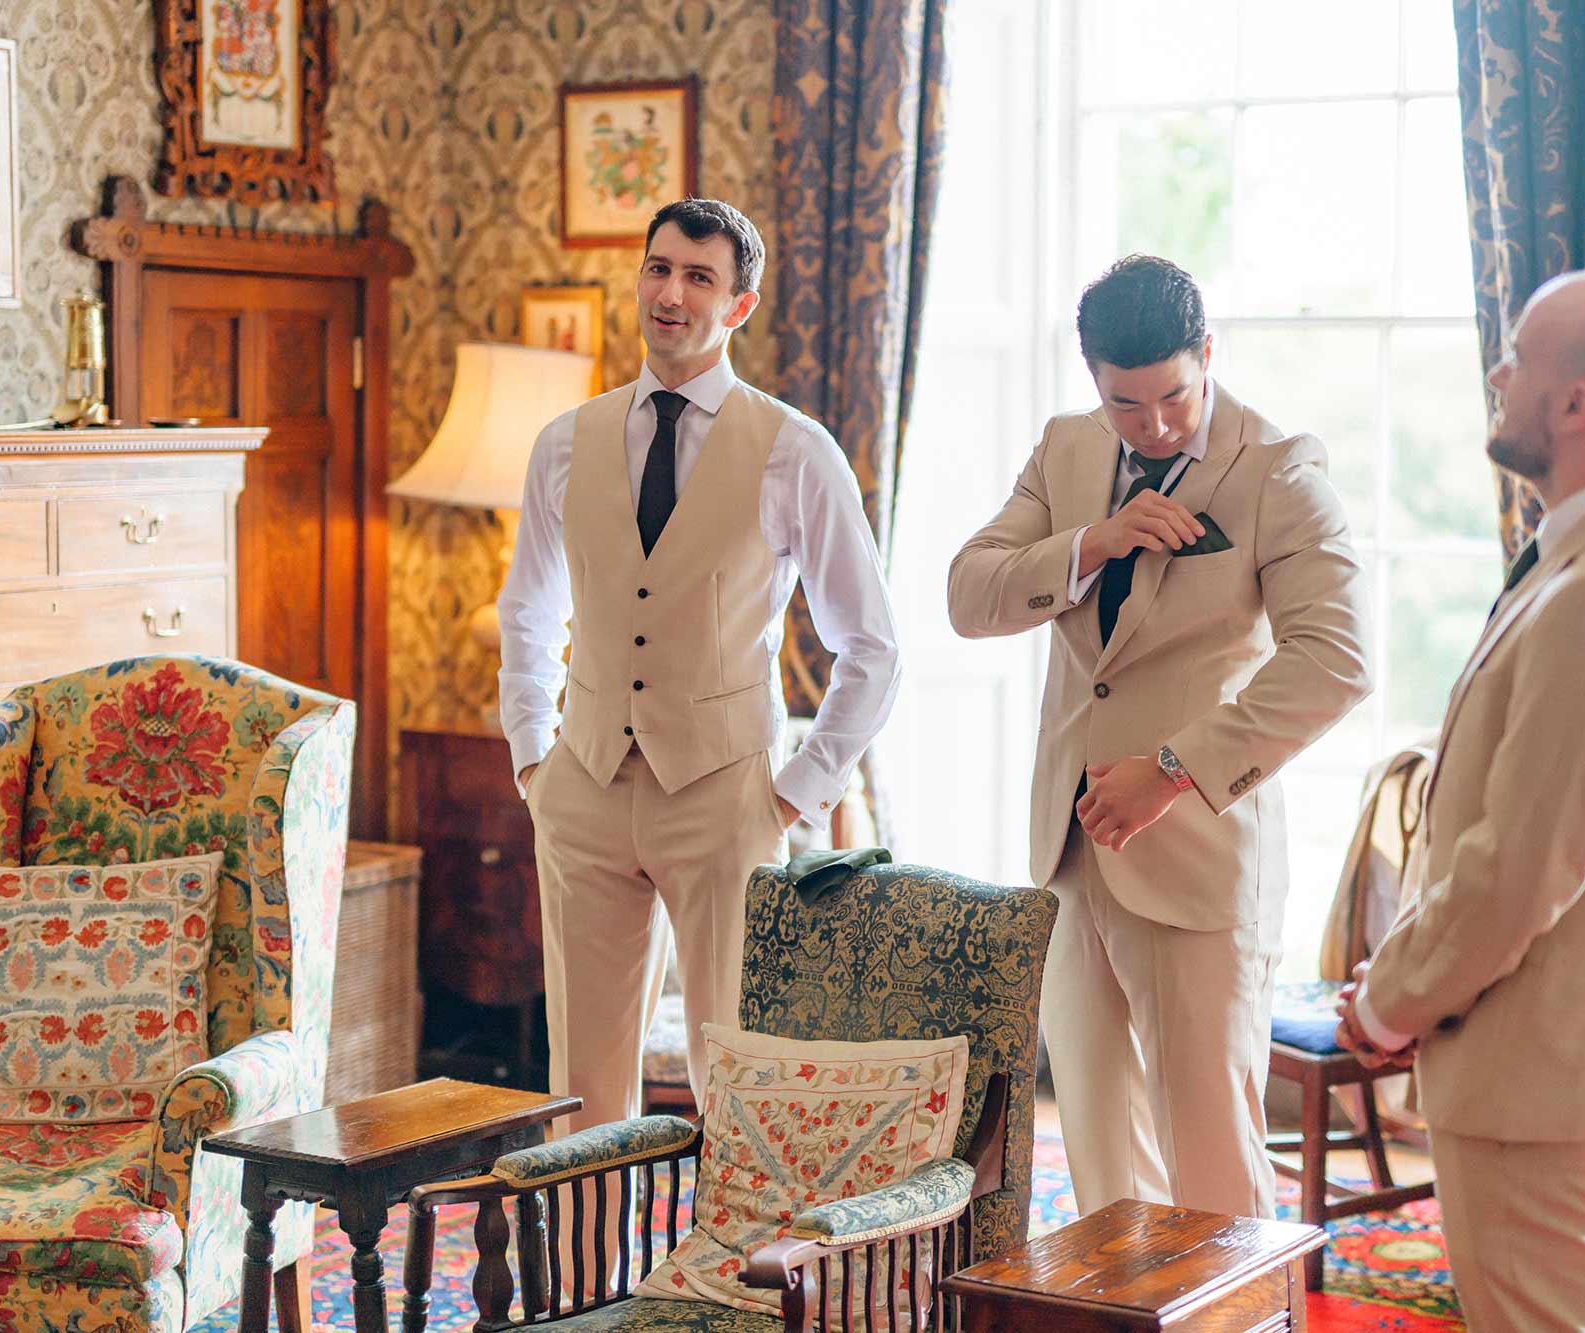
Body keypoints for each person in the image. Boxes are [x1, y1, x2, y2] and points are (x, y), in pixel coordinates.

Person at [1338, 269, 1585, 1333]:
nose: (1496, 374)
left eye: (1517, 356)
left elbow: (1520, 870)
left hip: (1541, 1073)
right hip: (1581, 1056)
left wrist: (1387, 1002)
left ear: (1574, 404)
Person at [947, 255, 1372, 1218]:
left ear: (1208, 353)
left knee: (1212, 1165)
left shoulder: (1280, 466)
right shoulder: (1065, 450)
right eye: (1126, 404)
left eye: (1174, 396)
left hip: (1198, 854)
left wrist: (1175, 770)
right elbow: (969, 595)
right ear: (1093, 378)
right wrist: (1093, 543)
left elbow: (1337, 660)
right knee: (1098, 1153)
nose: (1155, 425)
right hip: (1068, 846)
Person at [498, 197, 900, 1136]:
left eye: (699, 277)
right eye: (658, 268)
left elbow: (872, 646)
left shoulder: (795, 452)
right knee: (583, 1093)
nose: (670, 294)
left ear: (740, 304)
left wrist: (796, 792)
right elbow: (528, 610)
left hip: (724, 796)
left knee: (740, 1080)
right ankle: (591, 1287)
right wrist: (533, 759)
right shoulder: (566, 443)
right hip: (585, 785)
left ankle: (730, 1284)